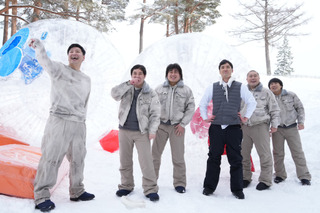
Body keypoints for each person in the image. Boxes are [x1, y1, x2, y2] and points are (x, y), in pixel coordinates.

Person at [29, 39, 95, 212]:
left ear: (83, 57)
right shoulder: (59, 69)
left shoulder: (87, 79)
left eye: (77, 51)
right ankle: (41, 195)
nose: (74, 53)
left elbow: (85, 102)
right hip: (60, 119)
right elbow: (45, 61)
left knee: (78, 159)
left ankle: (77, 191)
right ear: (68, 56)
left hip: (79, 123)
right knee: (51, 157)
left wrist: (83, 120)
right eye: (71, 51)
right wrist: (39, 47)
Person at [199, 59, 256, 199]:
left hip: (234, 128)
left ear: (232, 70)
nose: (225, 69)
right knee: (213, 158)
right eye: (223, 67)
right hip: (217, 127)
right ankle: (209, 187)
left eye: (228, 67)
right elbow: (203, 102)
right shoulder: (213, 87)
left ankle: (237, 189)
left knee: (236, 159)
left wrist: (245, 117)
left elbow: (251, 102)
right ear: (219, 71)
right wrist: (205, 117)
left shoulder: (240, 86)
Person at [111, 64, 161, 201]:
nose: (137, 76)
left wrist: (152, 131)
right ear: (131, 76)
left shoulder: (150, 93)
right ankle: (126, 186)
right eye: (134, 74)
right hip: (124, 130)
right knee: (125, 160)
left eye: (140, 74)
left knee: (146, 161)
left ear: (144, 76)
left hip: (141, 132)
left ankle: (150, 188)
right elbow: (114, 94)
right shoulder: (127, 88)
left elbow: (156, 114)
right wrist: (128, 84)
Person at [152, 63, 195, 193]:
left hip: (177, 127)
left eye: (176, 72)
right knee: (154, 156)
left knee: (178, 157)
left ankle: (180, 183)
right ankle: (151, 181)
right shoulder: (159, 89)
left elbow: (190, 108)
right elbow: (152, 107)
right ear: (167, 74)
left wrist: (182, 124)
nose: (173, 74)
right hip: (161, 126)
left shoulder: (186, 90)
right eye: (170, 72)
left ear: (180, 75)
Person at [240, 70, 280, 191]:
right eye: (250, 76)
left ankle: (265, 180)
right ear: (247, 79)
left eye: (255, 76)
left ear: (259, 78)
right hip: (244, 127)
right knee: (243, 154)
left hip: (260, 125)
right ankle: (245, 177)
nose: (253, 78)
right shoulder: (242, 92)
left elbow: (274, 109)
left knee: (264, 154)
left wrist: (274, 124)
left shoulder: (266, 92)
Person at [268, 78, 311, 185]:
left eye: (276, 83)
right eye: (271, 84)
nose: (273, 85)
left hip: (291, 128)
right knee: (278, 153)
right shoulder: (269, 97)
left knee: (297, 152)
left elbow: (300, 108)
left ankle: (304, 176)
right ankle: (280, 175)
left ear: (281, 85)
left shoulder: (291, 95)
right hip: (277, 129)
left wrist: (301, 122)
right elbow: (267, 114)